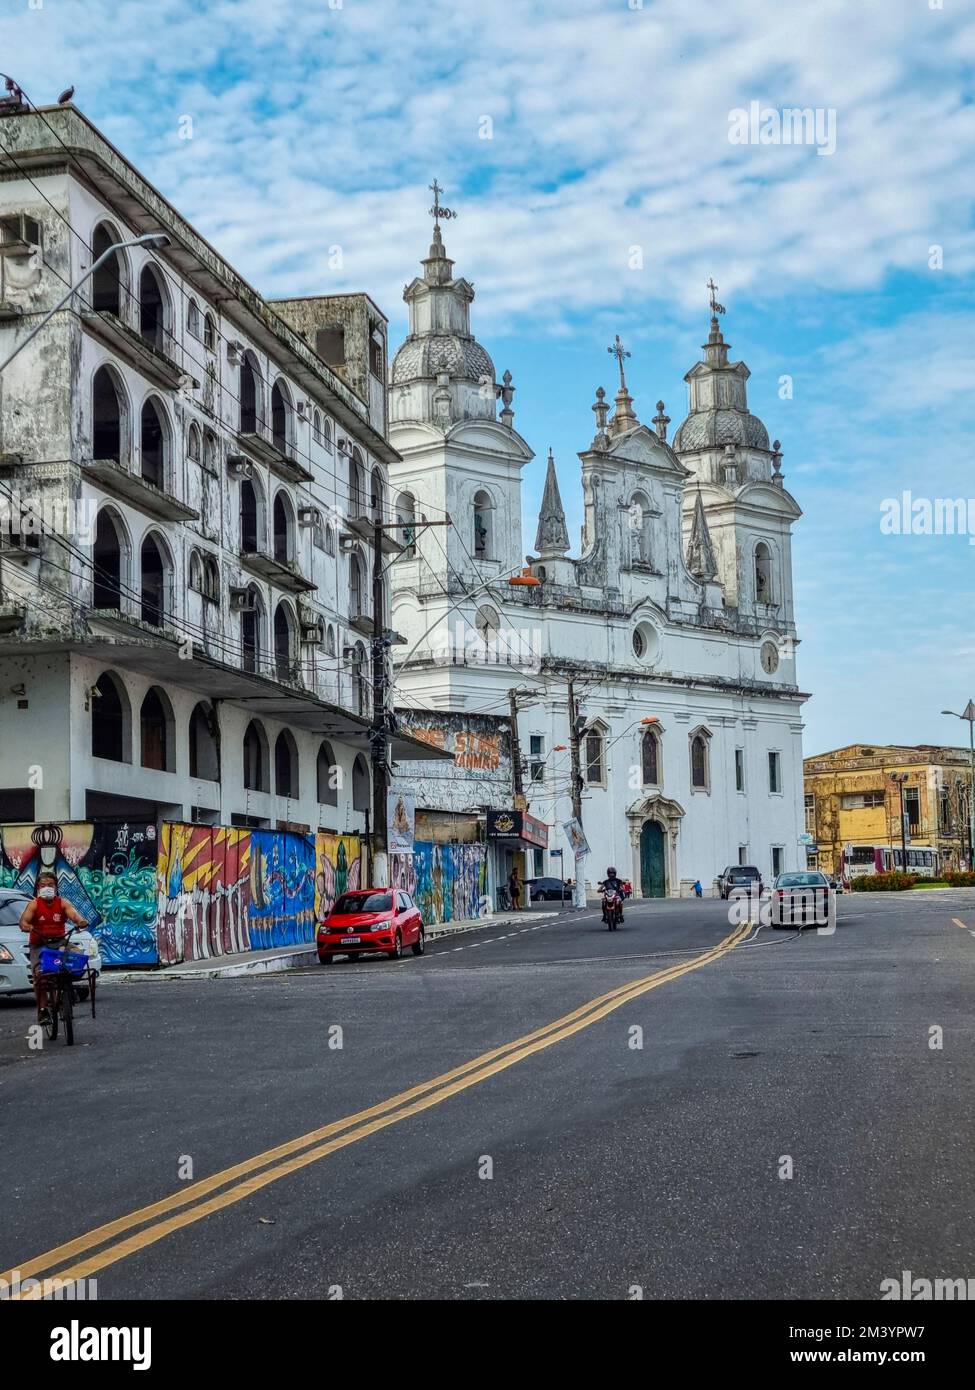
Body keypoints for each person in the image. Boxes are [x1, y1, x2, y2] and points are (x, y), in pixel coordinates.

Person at [19, 872, 85, 1021]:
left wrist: (80, 921)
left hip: (60, 942)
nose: (47, 888)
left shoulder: (63, 903)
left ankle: (67, 990)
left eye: (50, 885)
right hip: (39, 944)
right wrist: (26, 926)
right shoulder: (34, 904)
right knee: (39, 975)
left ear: (56, 887)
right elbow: (23, 921)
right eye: (43, 885)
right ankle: (42, 1010)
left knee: (77, 957)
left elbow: (74, 915)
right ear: (37, 888)